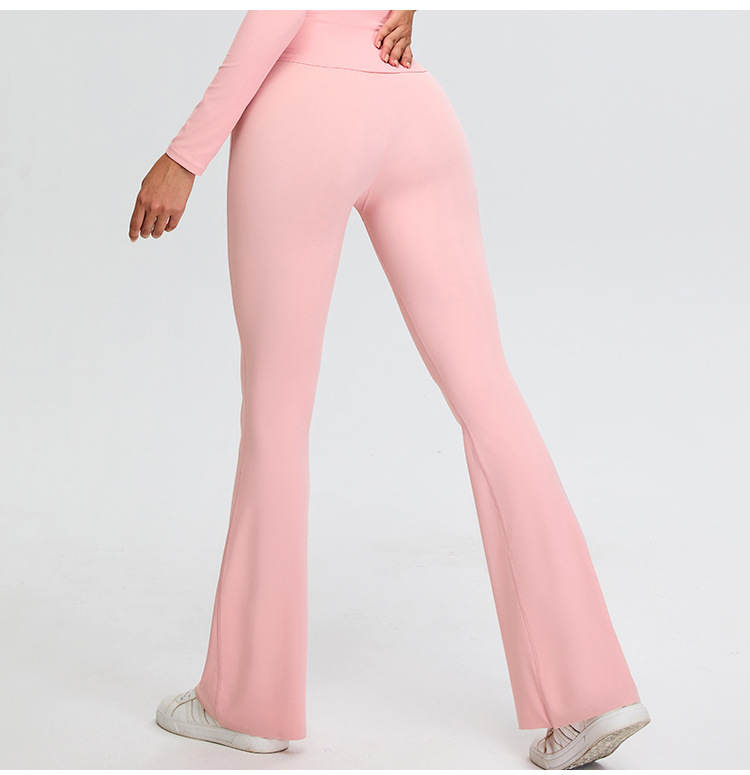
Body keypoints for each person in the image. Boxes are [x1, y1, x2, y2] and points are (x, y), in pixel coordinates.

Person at [129, 10, 650, 769]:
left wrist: (185, 155)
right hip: (413, 108)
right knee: (488, 390)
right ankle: (591, 692)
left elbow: (278, 13)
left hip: (302, 109)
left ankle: (247, 703)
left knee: (277, 410)